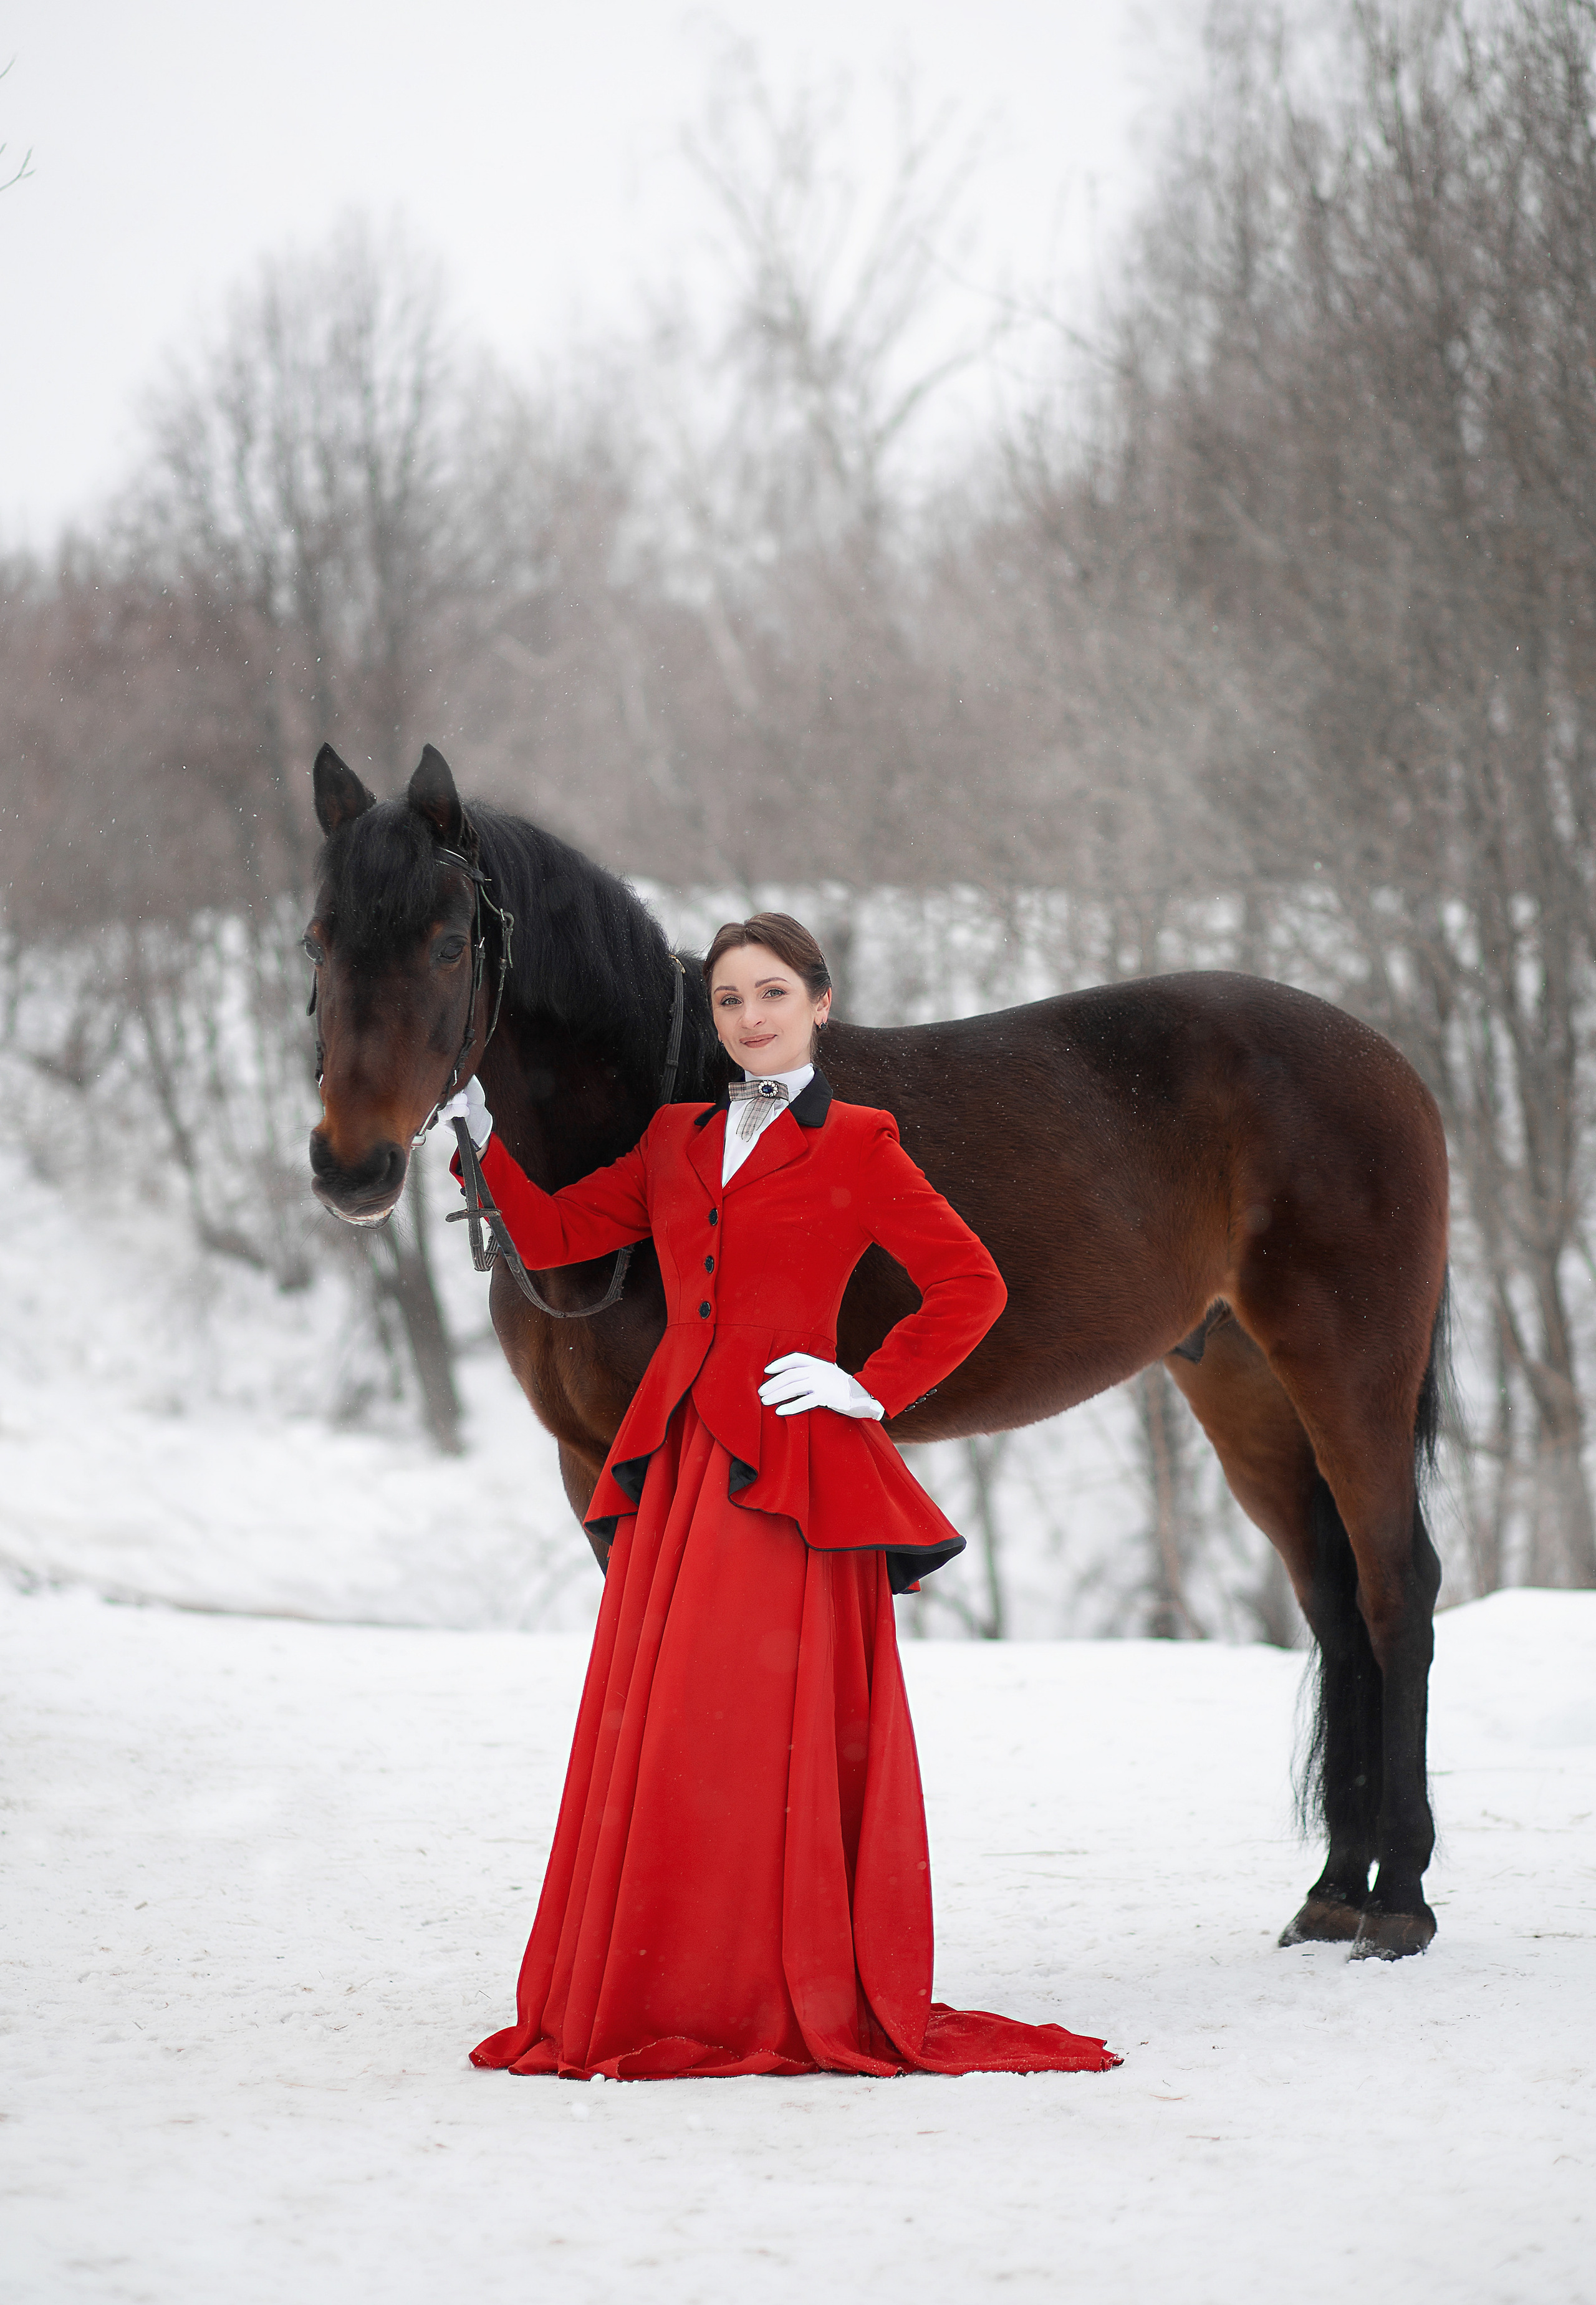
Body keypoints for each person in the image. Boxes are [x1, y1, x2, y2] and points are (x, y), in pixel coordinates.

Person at [445, 913, 1118, 2080]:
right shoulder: (674, 1139)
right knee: (672, 1732)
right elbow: (552, 1233)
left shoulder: (861, 1140)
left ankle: (775, 1979)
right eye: (727, 1002)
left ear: (818, 1001)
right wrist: (480, 1144)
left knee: (767, 1734)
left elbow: (970, 1282)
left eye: (771, 994)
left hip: (788, 1474)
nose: (750, 1019)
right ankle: (673, 1973)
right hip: (681, 1465)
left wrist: (866, 1389)